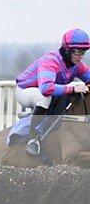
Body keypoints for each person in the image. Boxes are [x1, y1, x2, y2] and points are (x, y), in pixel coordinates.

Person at [16, 28, 90, 156]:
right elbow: (46, 88)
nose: (81, 56)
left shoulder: (76, 65)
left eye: (84, 52)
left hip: (46, 90)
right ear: (67, 49)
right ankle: (33, 139)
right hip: (26, 90)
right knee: (45, 98)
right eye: (78, 51)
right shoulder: (51, 61)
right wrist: (73, 89)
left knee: (77, 86)